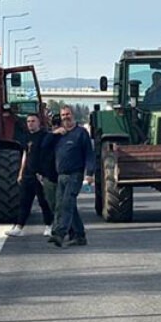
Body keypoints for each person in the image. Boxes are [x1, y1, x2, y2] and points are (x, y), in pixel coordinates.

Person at [48, 105, 97, 247]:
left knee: (67, 203)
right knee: (63, 206)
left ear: (73, 115)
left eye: (67, 114)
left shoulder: (81, 133)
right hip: (61, 176)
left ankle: (59, 233)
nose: (65, 117)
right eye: (63, 115)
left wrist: (89, 174)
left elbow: (89, 154)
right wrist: (54, 134)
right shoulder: (59, 135)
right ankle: (80, 236)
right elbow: (44, 146)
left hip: (75, 174)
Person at [6, 114, 57, 237]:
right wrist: (20, 173)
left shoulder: (45, 136)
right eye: (28, 121)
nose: (30, 123)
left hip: (40, 175)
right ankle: (19, 227)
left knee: (43, 202)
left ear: (39, 123)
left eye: (33, 121)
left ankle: (49, 226)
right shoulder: (26, 137)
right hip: (27, 174)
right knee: (24, 202)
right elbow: (25, 154)